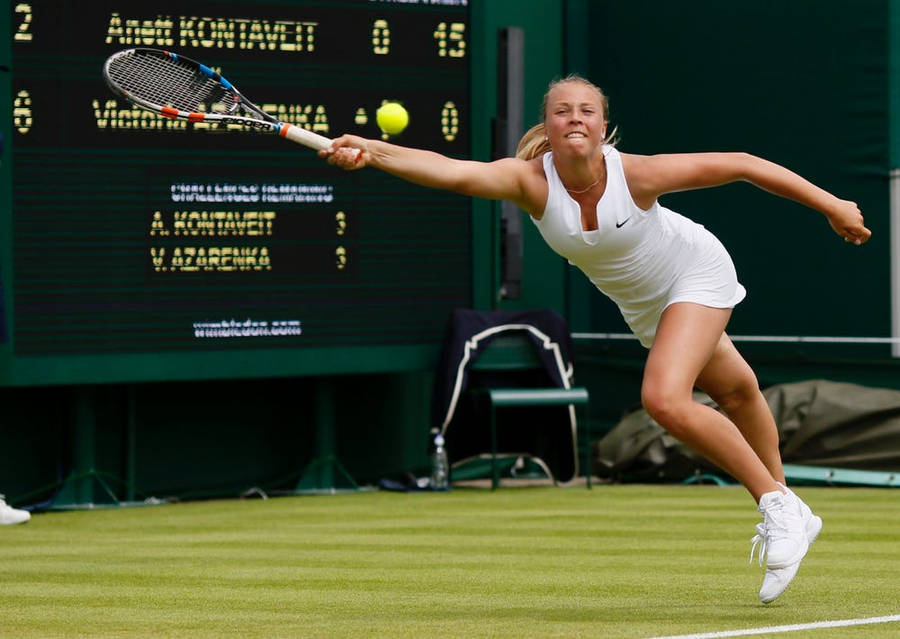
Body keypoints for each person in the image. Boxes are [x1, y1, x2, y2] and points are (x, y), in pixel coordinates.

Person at [319, 75, 871, 603]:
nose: (574, 118)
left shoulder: (636, 174)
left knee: (664, 399)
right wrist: (373, 151)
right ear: (549, 127)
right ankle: (792, 509)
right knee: (736, 392)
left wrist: (832, 204)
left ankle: (777, 504)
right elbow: (449, 169)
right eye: (563, 111)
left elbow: (744, 165)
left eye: (586, 110)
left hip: (695, 273)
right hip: (645, 305)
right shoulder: (527, 181)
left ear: (603, 126)